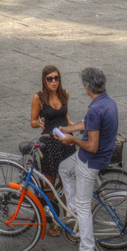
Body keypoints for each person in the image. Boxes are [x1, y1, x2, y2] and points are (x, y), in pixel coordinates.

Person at [57, 66, 118, 251]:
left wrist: (72, 140)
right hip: (99, 155)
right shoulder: (108, 102)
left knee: (84, 207)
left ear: (87, 87)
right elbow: (89, 125)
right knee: (64, 168)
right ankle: (72, 209)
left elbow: (91, 146)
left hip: (91, 160)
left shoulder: (95, 109)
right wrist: (69, 129)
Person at [30, 65, 75, 235]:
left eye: (56, 78)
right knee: (49, 184)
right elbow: (32, 121)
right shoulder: (38, 98)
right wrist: (38, 123)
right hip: (49, 144)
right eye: (50, 79)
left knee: (66, 182)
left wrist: (75, 126)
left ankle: (67, 218)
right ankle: (53, 222)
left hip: (65, 142)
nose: (54, 82)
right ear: (44, 80)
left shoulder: (65, 94)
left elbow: (66, 117)